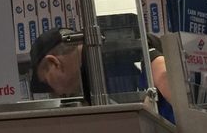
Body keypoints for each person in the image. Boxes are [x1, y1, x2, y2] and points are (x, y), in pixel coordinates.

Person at [29, 27, 172, 119]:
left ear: (54, 63)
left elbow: (166, 78)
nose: (56, 93)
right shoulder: (91, 81)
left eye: (47, 83)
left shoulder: (112, 51)